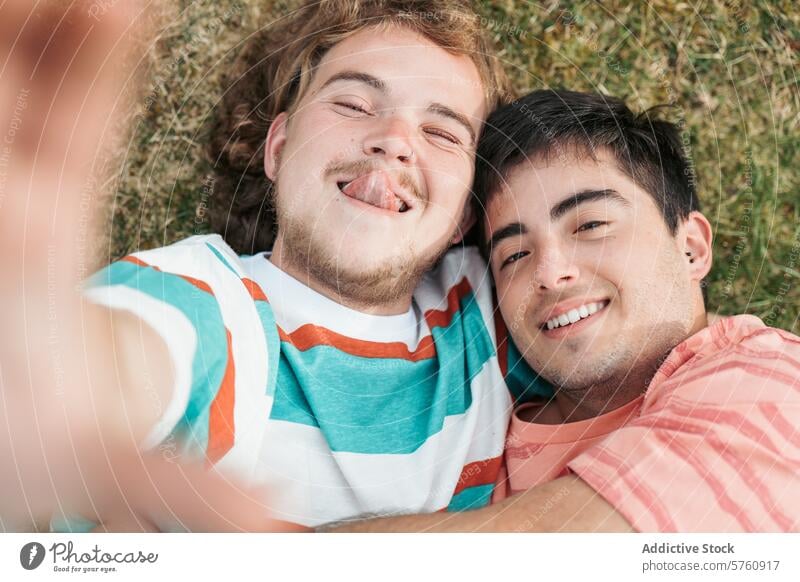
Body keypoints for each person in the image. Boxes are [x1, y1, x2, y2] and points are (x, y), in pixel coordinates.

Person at [47, 0, 555, 532]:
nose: (395, 140)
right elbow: (105, 364)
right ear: (279, 147)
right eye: (354, 104)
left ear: (465, 213)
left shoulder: (493, 305)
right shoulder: (203, 302)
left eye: (444, 133)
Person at [331, 89, 799, 532]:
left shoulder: (773, 380)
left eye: (591, 225)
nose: (550, 273)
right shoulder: (469, 429)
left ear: (692, 248)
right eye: (513, 255)